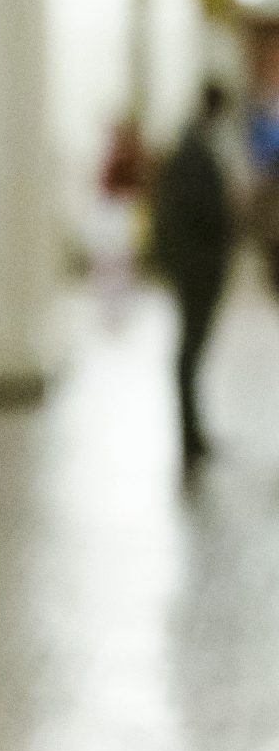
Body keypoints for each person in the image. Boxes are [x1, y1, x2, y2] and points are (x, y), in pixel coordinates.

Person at [149, 80, 236, 471]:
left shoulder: (198, 148)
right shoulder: (192, 152)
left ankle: (194, 430)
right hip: (196, 267)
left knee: (194, 349)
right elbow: (190, 214)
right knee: (189, 349)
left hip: (202, 265)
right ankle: (188, 432)